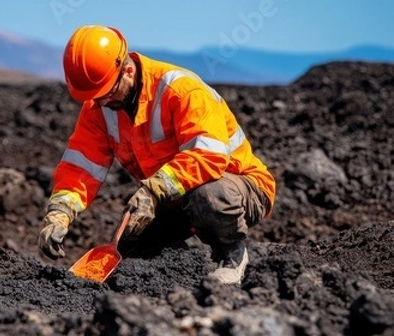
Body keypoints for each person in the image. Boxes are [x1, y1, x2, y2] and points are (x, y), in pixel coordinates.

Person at [38, 25, 275, 285]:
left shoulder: (181, 90)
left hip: (238, 187)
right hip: (173, 196)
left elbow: (209, 156)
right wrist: (59, 212)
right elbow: (80, 167)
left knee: (209, 197)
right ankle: (186, 270)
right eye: (95, 98)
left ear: (127, 71)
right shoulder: (98, 106)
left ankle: (231, 255)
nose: (101, 103)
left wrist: (152, 191)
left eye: (106, 94)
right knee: (131, 247)